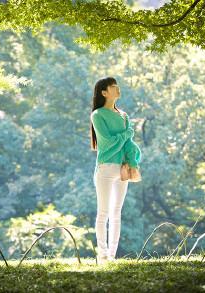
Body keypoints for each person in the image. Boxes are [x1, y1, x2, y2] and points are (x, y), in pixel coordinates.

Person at [90, 76, 142, 265]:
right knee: (103, 212)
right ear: (104, 92)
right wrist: (126, 134)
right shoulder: (97, 115)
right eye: (113, 86)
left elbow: (129, 146)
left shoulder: (124, 115)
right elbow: (107, 145)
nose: (117, 88)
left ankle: (112, 255)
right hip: (105, 168)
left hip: (122, 169)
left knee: (116, 213)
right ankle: (102, 254)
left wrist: (133, 163)